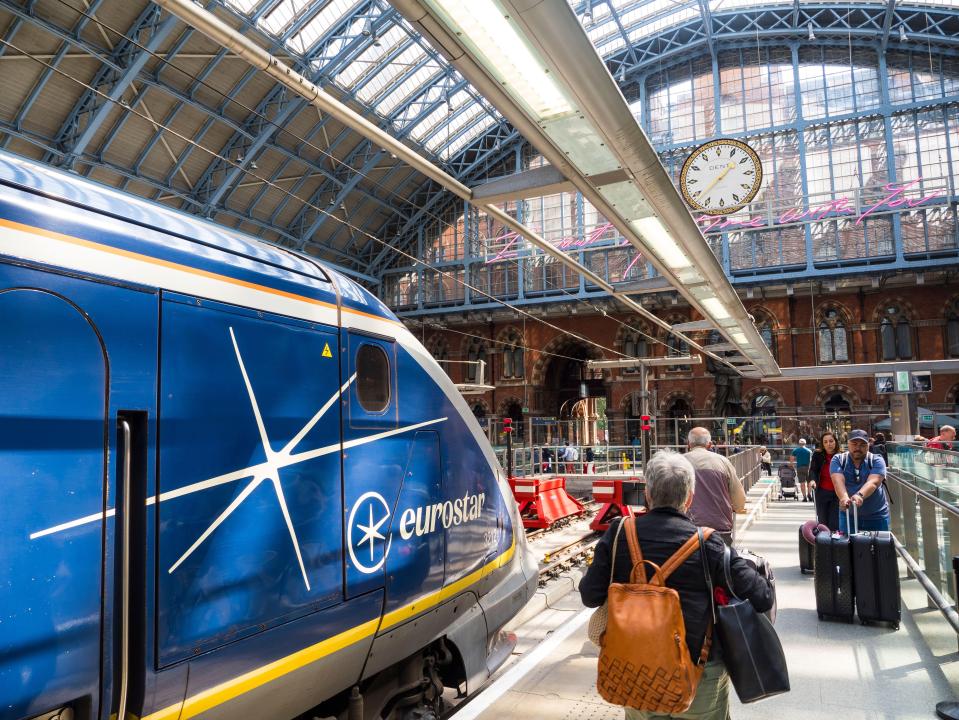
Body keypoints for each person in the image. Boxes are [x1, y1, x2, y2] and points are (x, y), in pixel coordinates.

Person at [580, 450, 774, 720]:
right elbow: (762, 597)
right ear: (690, 497)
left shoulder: (618, 532)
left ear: (648, 493)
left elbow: (590, 595)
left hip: (633, 669)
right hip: (696, 674)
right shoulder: (710, 543)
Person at [683, 427, 746, 546]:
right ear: (710, 444)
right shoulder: (723, 462)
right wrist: (738, 507)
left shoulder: (679, 462)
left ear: (688, 444)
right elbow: (739, 498)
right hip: (719, 528)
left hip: (687, 529)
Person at [831, 428, 891, 533]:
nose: (858, 447)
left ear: (868, 445)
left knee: (880, 548)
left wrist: (860, 495)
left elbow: (873, 482)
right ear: (848, 444)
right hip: (848, 515)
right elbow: (838, 481)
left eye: (862, 444)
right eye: (854, 443)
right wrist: (844, 498)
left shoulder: (877, 460)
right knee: (846, 549)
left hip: (877, 516)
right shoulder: (838, 460)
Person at [809, 431, 840, 531]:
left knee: (834, 522)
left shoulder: (842, 456)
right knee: (822, 521)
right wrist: (812, 480)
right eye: (825, 442)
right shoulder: (818, 455)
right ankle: (824, 543)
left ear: (836, 442)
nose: (828, 444)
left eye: (831, 441)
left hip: (837, 493)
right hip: (822, 492)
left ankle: (834, 543)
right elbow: (813, 470)